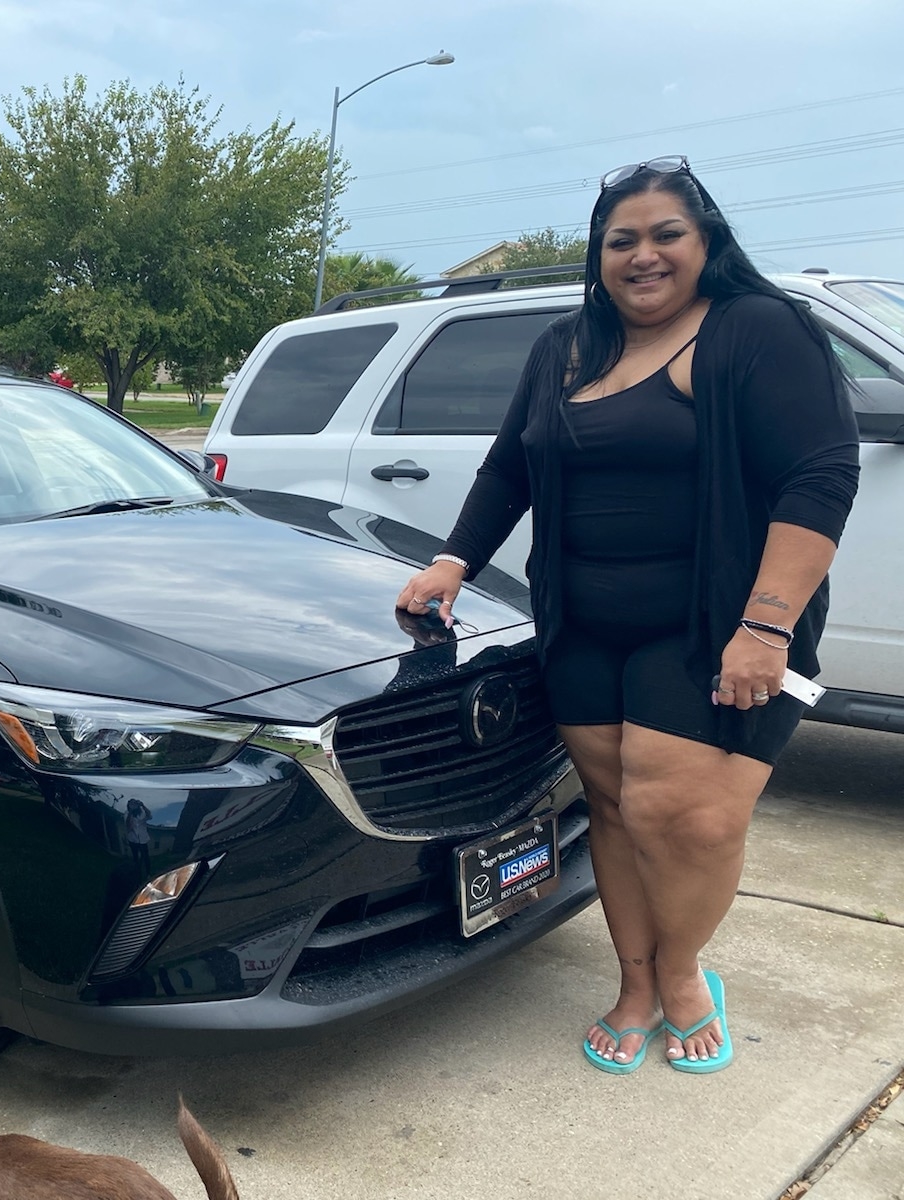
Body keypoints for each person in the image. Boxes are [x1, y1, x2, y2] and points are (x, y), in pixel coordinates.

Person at [396, 156, 860, 1074]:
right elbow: (509, 470)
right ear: (598, 255)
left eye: (665, 235)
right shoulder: (564, 347)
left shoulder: (758, 330)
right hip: (582, 621)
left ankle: (683, 974)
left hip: (718, 627)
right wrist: (454, 559)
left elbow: (820, 476)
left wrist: (766, 626)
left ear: (707, 241)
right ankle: (635, 979)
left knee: (683, 814)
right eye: (622, 240)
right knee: (611, 805)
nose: (643, 256)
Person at [125, 799, 151, 876]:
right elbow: (128, 827)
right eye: (131, 804)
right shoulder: (127, 814)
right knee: (135, 857)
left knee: (146, 857)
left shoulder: (142, 812)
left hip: (143, 839)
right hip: (133, 840)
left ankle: (148, 873)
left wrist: (143, 805)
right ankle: (137, 873)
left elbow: (149, 816)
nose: (133, 806)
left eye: (135, 804)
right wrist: (131, 812)